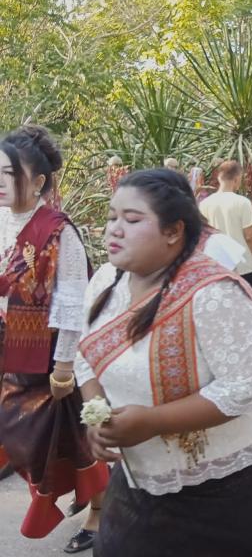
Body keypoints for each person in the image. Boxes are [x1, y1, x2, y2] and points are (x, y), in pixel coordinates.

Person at [74, 169, 252, 557]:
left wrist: (152, 422)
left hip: (230, 482)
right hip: (142, 473)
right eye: (112, 216)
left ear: (173, 231)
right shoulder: (105, 282)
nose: (114, 228)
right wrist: (95, 415)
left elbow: (248, 386)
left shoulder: (215, 294)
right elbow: (86, 354)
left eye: (132, 219)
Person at [0, 127, 109, 553]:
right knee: (27, 440)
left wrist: (64, 365)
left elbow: (71, 301)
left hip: (49, 356)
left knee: (70, 439)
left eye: (11, 173)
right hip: (9, 350)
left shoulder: (58, 231)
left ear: (39, 182)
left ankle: (99, 509)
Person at [199, 160, 252, 307]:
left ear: (219, 177)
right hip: (244, 266)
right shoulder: (242, 202)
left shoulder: (205, 204)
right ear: (237, 179)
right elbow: (250, 236)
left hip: (218, 266)